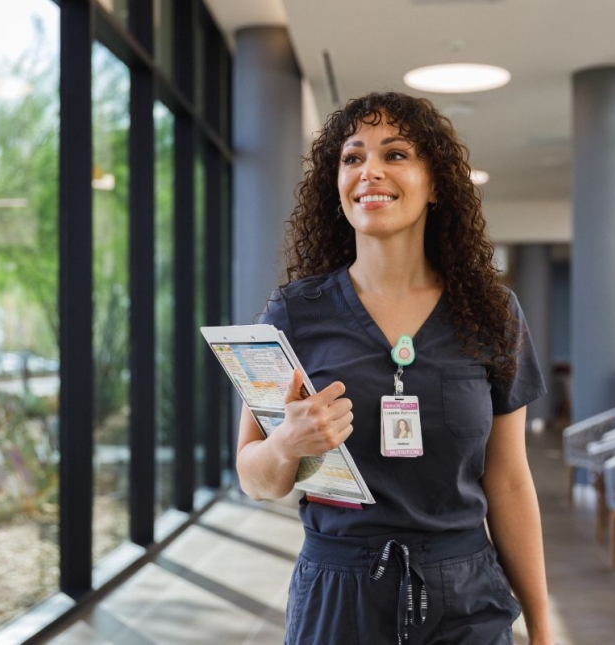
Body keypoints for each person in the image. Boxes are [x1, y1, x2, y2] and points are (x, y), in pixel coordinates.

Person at [236, 91, 553, 645]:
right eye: (353, 157)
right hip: (339, 598)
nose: (370, 172)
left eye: (396, 154)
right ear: (336, 187)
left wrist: (543, 628)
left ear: (436, 185)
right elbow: (253, 477)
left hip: (466, 597)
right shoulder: (294, 312)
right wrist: (287, 443)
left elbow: (508, 480)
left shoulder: (492, 313)